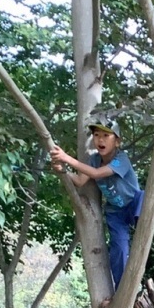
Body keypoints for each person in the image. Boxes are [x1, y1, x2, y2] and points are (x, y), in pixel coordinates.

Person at [50, 118, 142, 288]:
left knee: (144, 209)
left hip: (134, 203)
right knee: (119, 249)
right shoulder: (93, 160)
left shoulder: (121, 159)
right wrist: (63, 171)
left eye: (106, 135)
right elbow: (79, 180)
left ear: (117, 141)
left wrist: (66, 158)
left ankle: (140, 259)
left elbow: (97, 174)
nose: (100, 139)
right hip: (115, 212)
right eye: (96, 135)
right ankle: (122, 288)